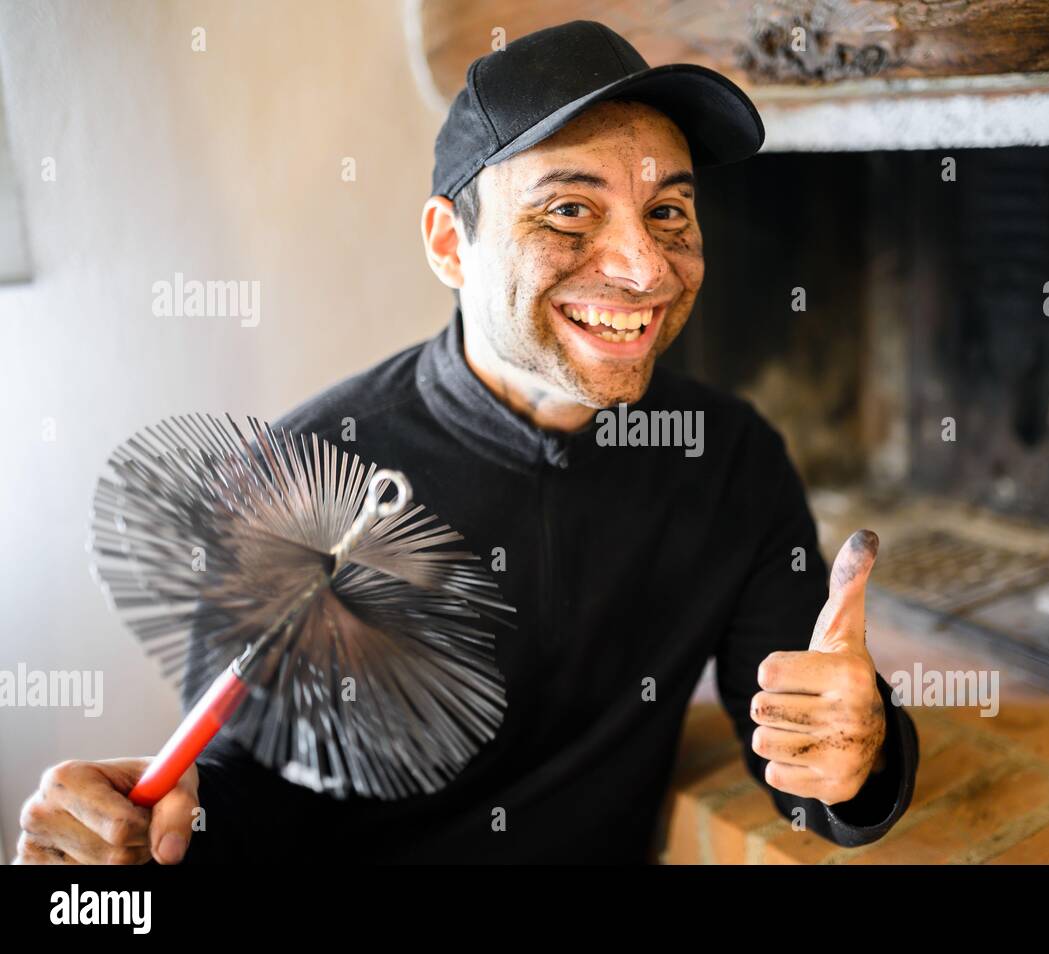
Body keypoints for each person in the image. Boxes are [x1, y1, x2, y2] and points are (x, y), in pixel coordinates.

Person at [15, 19, 917, 864]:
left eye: (670, 213)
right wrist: (158, 826)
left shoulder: (730, 459)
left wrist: (860, 749)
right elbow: (257, 795)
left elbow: (802, 755)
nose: (644, 267)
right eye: (570, 209)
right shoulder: (297, 483)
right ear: (450, 243)